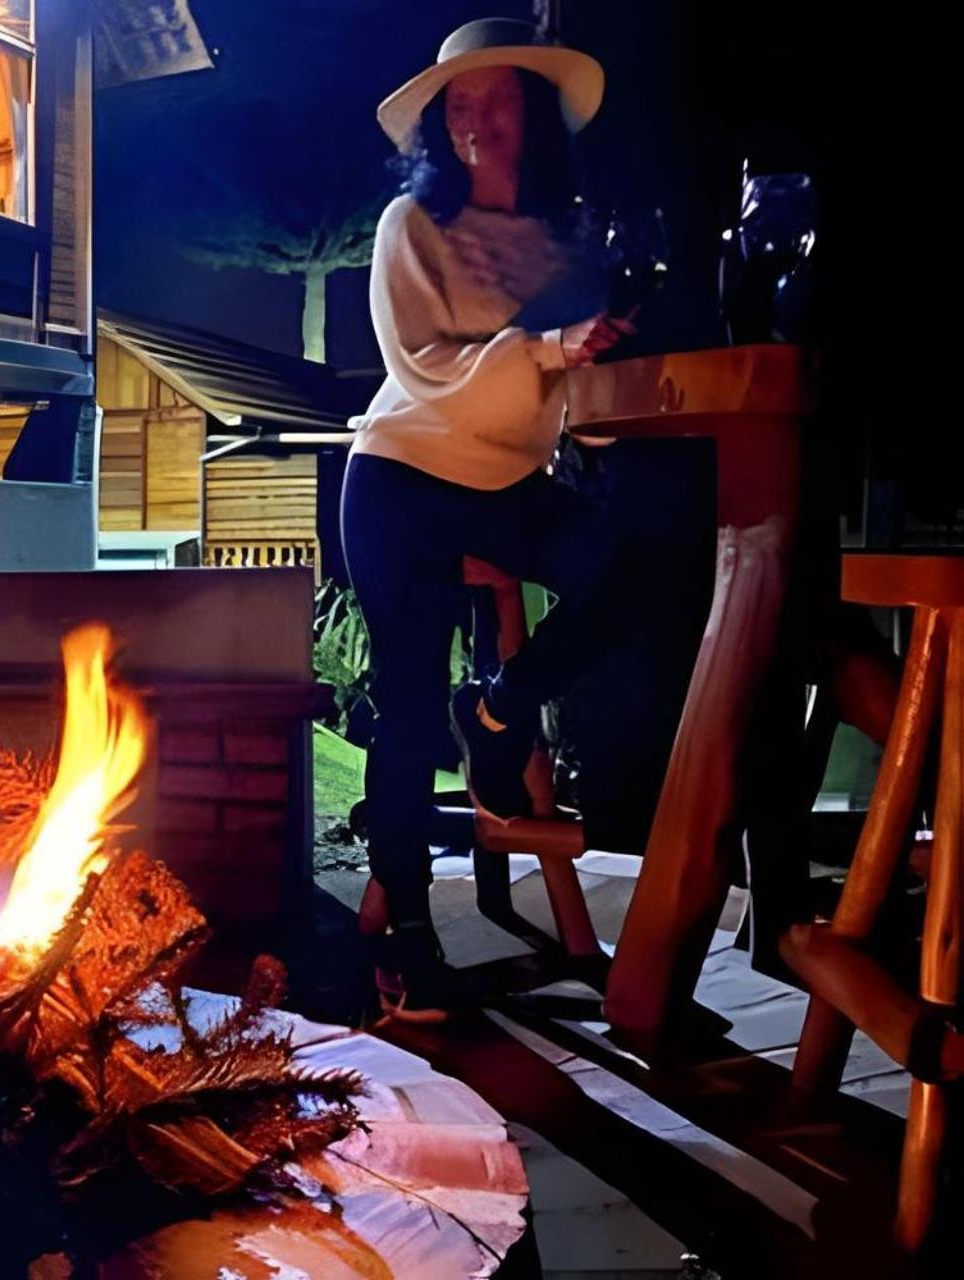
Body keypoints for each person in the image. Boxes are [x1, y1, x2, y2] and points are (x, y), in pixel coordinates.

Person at [342, 18, 633, 1020]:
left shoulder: (571, 243)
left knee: (632, 564)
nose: (474, 119)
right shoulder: (407, 229)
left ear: (537, 114)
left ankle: (501, 709)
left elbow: (580, 384)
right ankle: (411, 942)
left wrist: (591, 416)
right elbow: (422, 375)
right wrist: (549, 347)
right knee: (408, 703)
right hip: (402, 475)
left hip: (506, 482)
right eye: (457, 104)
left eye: (496, 98)